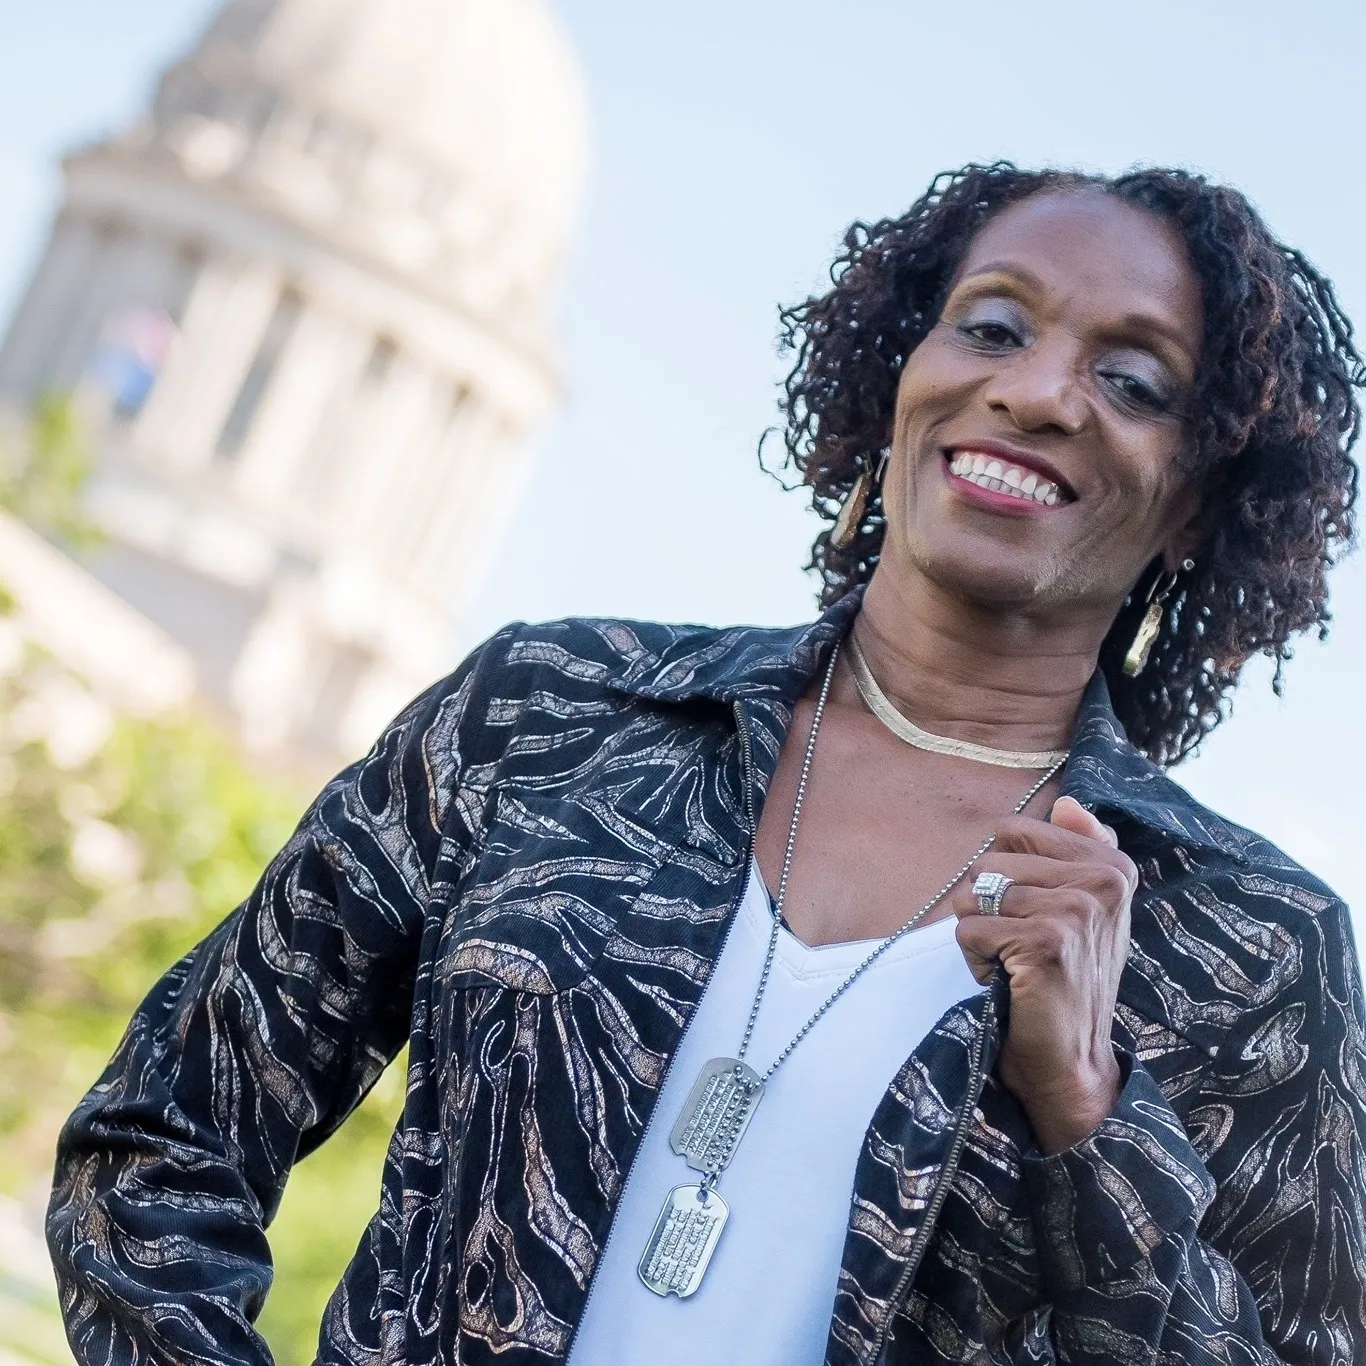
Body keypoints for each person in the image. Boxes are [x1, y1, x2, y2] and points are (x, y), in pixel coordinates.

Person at [47, 163, 1366, 1366]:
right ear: (898, 373)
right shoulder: (555, 711)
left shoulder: (1249, 941)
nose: (1030, 391)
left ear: (1201, 494)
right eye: (991, 324)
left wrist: (1087, 1117)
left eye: (1131, 381)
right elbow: (166, 1126)